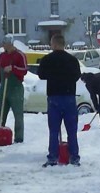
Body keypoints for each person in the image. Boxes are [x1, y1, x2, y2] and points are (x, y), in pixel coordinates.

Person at [37, 34, 82, 167]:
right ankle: (74, 157)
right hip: (69, 97)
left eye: (51, 44)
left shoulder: (47, 59)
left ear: (55, 44)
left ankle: (53, 157)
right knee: (72, 130)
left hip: (54, 97)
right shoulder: (72, 60)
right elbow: (77, 76)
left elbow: (41, 75)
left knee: (54, 130)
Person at [0, 34, 28, 143]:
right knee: (0, 112)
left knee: (18, 114)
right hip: (4, 88)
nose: (3, 46)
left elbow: (25, 70)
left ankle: (19, 137)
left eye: (5, 43)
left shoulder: (20, 55)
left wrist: (13, 68)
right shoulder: (2, 56)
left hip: (16, 88)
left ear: (10, 44)